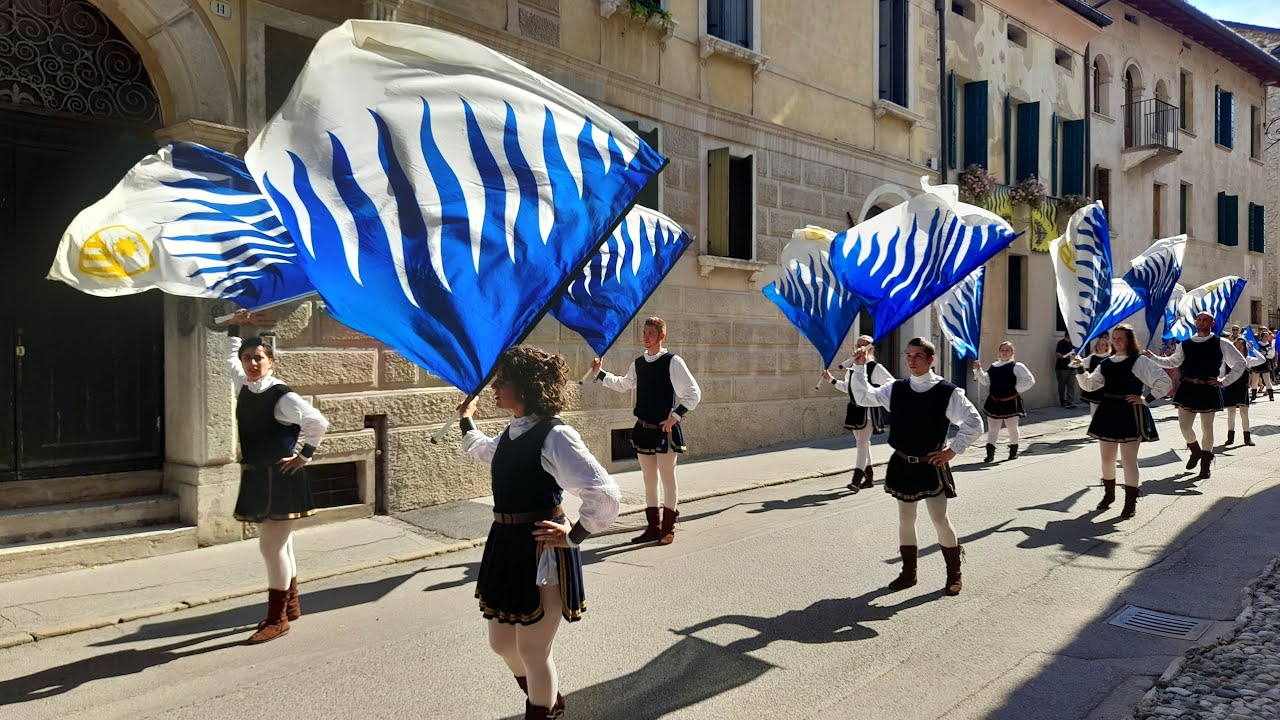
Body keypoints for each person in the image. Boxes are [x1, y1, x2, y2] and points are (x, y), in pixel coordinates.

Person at [457, 346, 622, 720]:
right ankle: (547, 697)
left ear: (528, 386)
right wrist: (467, 420)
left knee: (533, 650)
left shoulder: (556, 435)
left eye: (504, 380)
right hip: (505, 546)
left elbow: (606, 495)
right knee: (501, 643)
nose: (496, 386)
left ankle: (543, 708)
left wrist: (574, 534)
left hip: (541, 549)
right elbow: (483, 451)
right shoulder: (513, 431)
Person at [848, 337, 984, 596]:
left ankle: (954, 573)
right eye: (908, 355)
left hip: (931, 464)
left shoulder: (947, 392)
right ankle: (909, 573)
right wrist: (858, 367)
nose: (911, 360)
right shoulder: (896, 388)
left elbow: (974, 422)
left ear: (930, 359)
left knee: (939, 518)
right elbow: (864, 396)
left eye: (917, 355)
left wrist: (953, 450)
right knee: (905, 518)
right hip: (902, 462)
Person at [227, 309, 330, 644]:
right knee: (281, 545)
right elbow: (228, 355)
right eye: (247, 358)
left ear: (270, 360)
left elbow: (317, 422)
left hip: (281, 477)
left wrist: (305, 456)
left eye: (258, 358)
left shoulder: (282, 395)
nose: (252, 363)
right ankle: (292, 604)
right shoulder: (244, 384)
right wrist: (236, 323)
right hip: (258, 478)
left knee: (270, 548)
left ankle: (277, 619)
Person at [592, 317, 701, 545]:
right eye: (644, 333)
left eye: (650, 333)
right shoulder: (639, 363)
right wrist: (600, 373)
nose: (646, 337)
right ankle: (653, 527)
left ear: (661, 336)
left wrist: (675, 416)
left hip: (665, 430)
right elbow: (623, 384)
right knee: (649, 479)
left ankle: (668, 528)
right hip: (643, 428)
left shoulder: (673, 361)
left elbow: (693, 392)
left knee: (667, 478)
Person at [1074, 324, 1171, 518]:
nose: (1116, 342)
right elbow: (1090, 385)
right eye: (1114, 338)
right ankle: (1109, 495)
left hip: (1130, 412)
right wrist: (1078, 368)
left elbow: (1165, 382)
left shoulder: (1140, 361)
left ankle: (1130, 502)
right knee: (1107, 459)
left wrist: (1145, 399)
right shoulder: (1106, 363)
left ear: (1129, 340)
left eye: (1121, 338)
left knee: (1128, 460)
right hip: (1108, 411)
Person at [1144, 311, 1247, 480]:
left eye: (1205, 320)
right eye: (1199, 319)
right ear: (1196, 322)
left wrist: (1224, 381)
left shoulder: (1220, 342)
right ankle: (1196, 451)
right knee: (1185, 427)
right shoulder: (1185, 344)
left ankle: (1205, 464)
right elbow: (1173, 362)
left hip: (1209, 388)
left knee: (1207, 427)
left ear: (1212, 323)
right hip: (1188, 388)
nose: (1201, 322)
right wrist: (1153, 358)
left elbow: (1240, 363)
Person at [823, 335, 895, 492]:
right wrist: (831, 380)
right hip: (855, 409)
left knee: (862, 444)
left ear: (871, 349)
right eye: (858, 345)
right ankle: (869, 478)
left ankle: (856, 481)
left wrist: (875, 393)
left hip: (868, 411)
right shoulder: (853, 368)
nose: (861, 348)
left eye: (865, 345)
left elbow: (891, 384)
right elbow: (849, 388)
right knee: (862, 443)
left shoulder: (875, 367)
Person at [973, 341, 1035, 462]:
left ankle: (1013, 452)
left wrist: (1016, 390)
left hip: (1010, 401)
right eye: (1002, 350)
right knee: (993, 429)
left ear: (1012, 352)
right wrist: (978, 370)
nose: (1004, 352)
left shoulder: (1017, 366)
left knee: (1012, 428)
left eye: (1007, 350)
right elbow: (986, 381)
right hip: (994, 401)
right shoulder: (994, 366)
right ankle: (990, 454)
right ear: (999, 352)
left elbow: (1029, 380)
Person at [1225, 337, 1264, 447]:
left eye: (1241, 345)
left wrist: (1253, 349)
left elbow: (1262, 360)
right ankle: (1230, 438)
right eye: (1236, 344)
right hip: (1230, 387)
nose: (1238, 347)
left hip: (1242, 388)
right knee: (1231, 413)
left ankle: (1247, 438)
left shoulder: (1247, 359)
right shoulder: (1228, 359)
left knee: (1244, 414)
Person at [1071, 335, 1113, 417]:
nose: (1099, 346)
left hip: (1105, 390)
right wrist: (1075, 360)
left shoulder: (1110, 359)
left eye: (1102, 345)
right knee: (1094, 413)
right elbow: (1079, 364)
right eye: (1098, 344)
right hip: (1094, 389)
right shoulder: (1092, 357)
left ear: (1107, 347)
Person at [1054, 331, 1079, 408]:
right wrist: (1066, 356)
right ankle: (1062, 401)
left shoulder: (1074, 344)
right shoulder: (1061, 343)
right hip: (1062, 367)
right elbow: (1057, 354)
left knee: (1071, 385)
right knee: (1062, 385)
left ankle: (1070, 402)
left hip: (1072, 367)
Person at [1251, 328, 1275, 402]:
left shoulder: (1270, 345)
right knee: (1254, 380)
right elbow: (1252, 352)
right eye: (1265, 336)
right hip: (1257, 363)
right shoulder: (1257, 344)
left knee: (1267, 380)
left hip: (1265, 363)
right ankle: (1253, 396)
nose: (1267, 338)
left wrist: (1266, 354)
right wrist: (1258, 353)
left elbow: (1272, 355)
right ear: (1261, 337)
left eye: (1268, 336)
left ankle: (1271, 396)